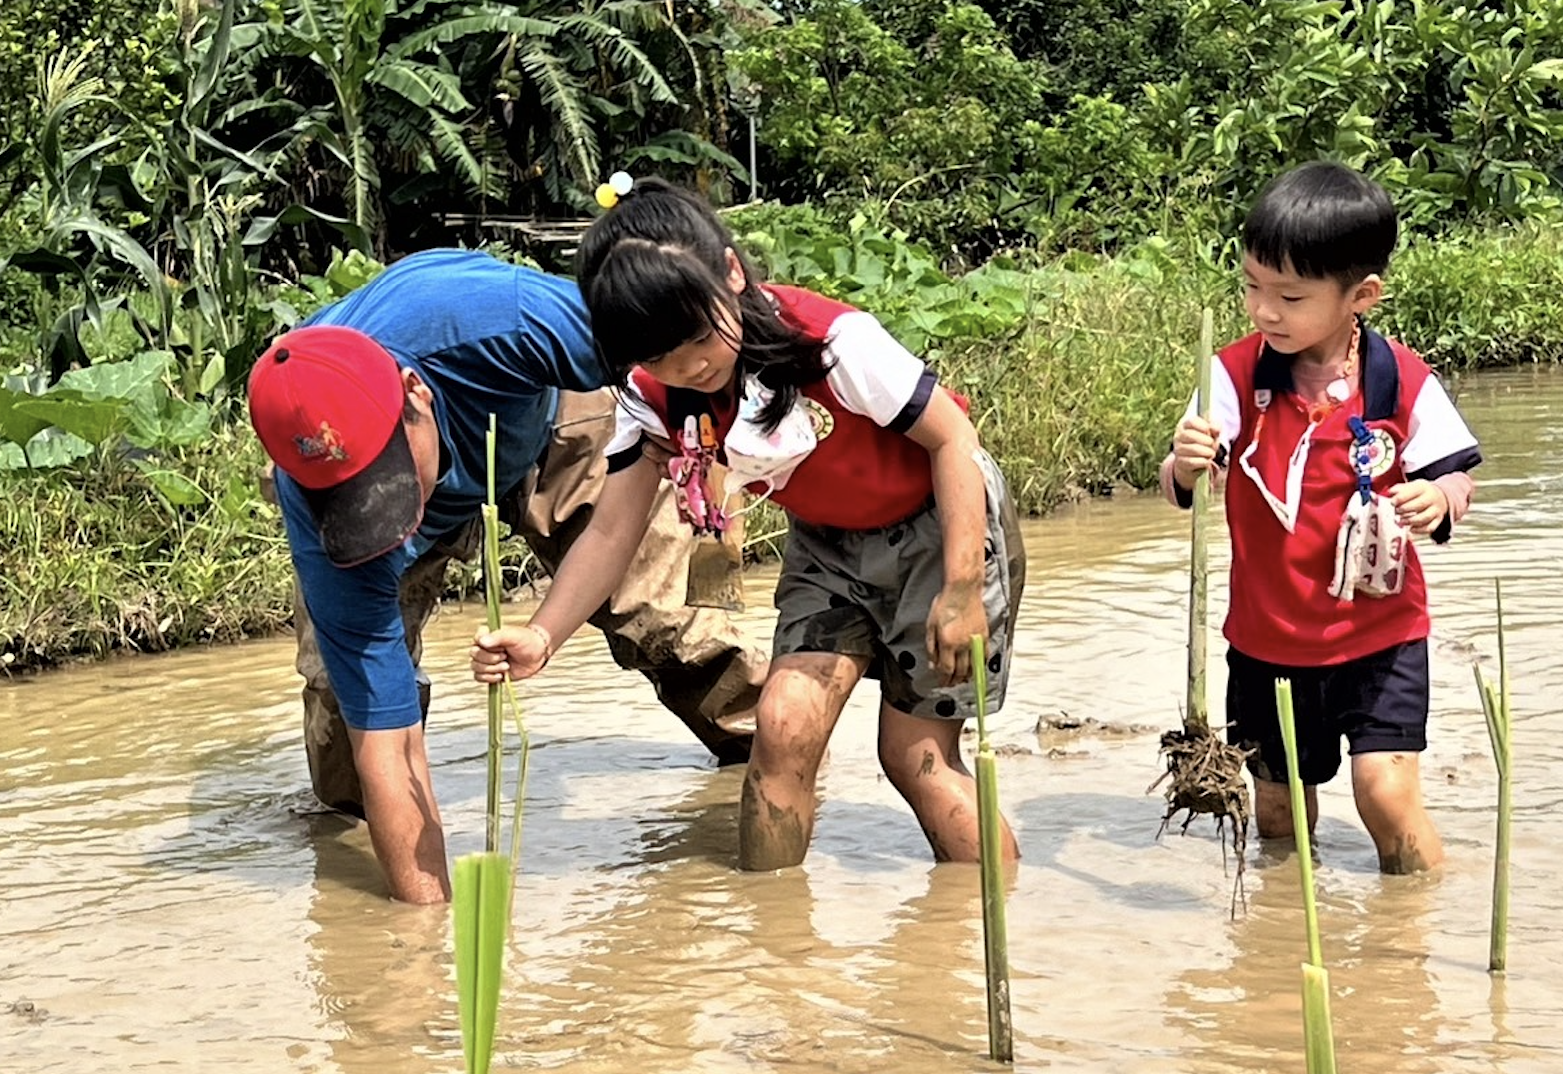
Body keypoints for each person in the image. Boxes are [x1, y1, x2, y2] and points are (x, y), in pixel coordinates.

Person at [469, 177, 1026, 871]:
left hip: (942, 529)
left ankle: (990, 940)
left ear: (731, 274)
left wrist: (963, 588)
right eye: (659, 357)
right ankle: (771, 951)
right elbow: (613, 530)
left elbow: (954, 441)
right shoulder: (651, 399)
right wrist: (542, 634)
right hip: (830, 544)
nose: (690, 366)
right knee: (782, 724)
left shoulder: (831, 344)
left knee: (915, 759)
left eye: (699, 337)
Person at [248, 248, 767, 903]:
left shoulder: (504, 322)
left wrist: (709, 485)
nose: (389, 509)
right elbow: (388, 745)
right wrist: (425, 936)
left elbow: (695, 356)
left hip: (546, 423)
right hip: (413, 469)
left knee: (671, 624)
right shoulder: (317, 503)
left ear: (415, 394)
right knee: (345, 735)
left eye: (392, 481)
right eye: (364, 501)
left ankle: (777, 771)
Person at [1161, 161, 1481, 874]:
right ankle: (1283, 938)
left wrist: (1441, 500)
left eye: (1289, 295)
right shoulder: (1233, 376)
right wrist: (1185, 463)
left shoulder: (1401, 380)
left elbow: (1456, 478)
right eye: (1251, 287)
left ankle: (1417, 939)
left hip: (1382, 636)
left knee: (1385, 795)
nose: (1264, 311)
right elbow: (1184, 483)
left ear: (1360, 295)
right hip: (1267, 643)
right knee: (1278, 811)